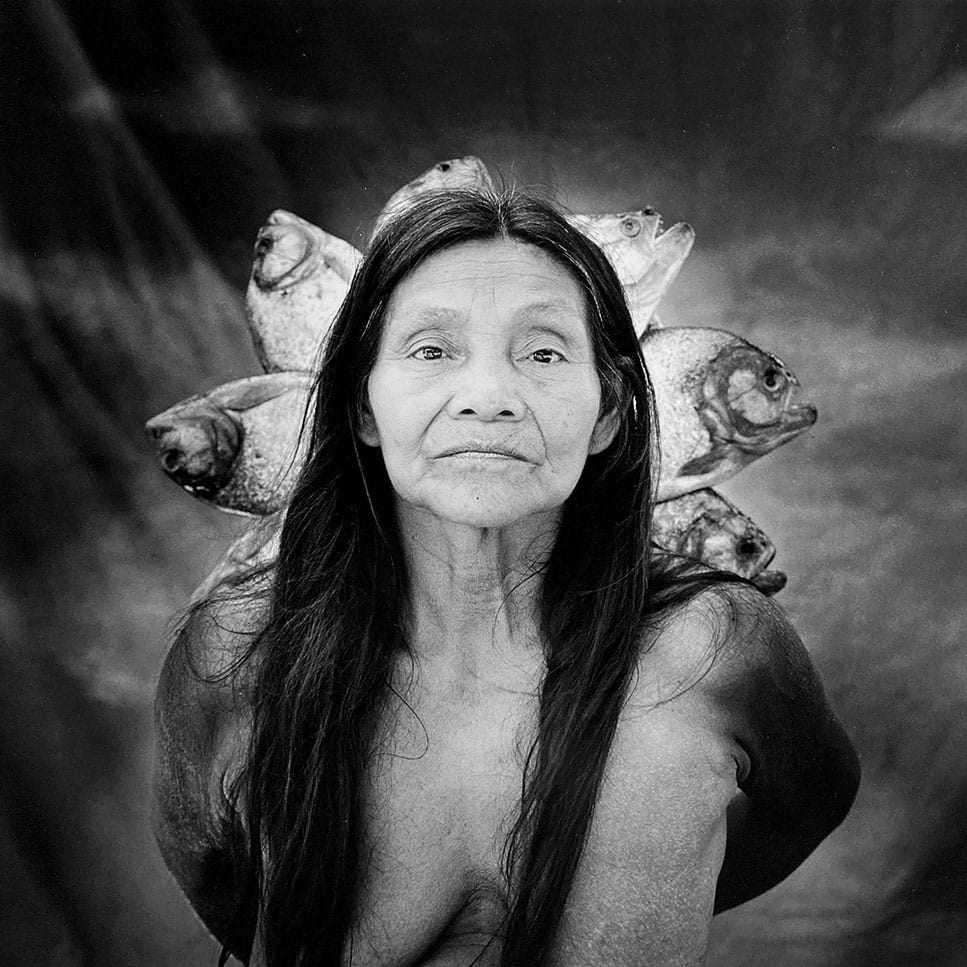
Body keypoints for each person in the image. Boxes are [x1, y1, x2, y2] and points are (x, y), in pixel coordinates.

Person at [153, 188, 860, 967]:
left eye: (543, 353)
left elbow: (807, 804)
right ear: (362, 406)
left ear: (608, 411)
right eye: (431, 350)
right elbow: (217, 876)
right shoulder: (237, 654)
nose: (488, 399)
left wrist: (659, 895)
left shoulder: (716, 647)